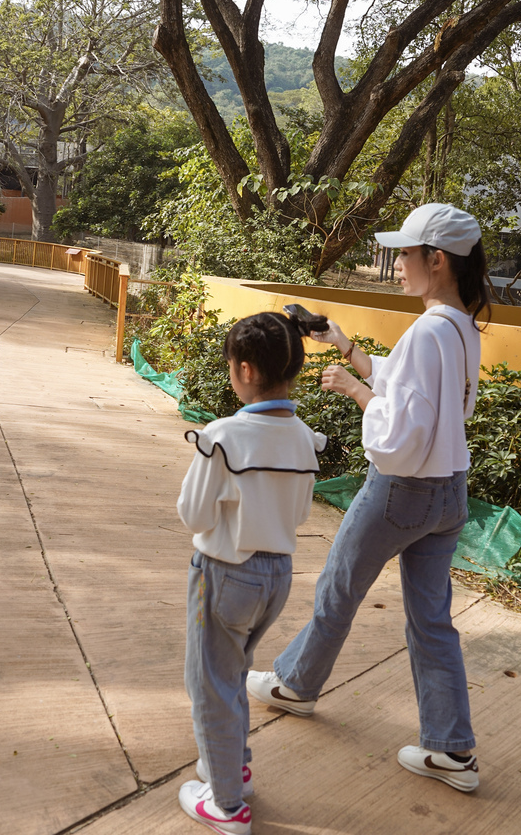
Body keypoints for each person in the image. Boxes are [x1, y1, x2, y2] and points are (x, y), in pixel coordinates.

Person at [246, 203, 490, 794]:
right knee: (432, 621)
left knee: (339, 585)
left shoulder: (428, 329)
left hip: (402, 491)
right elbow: (436, 403)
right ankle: (452, 747)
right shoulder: (460, 325)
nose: (396, 262)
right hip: (448, 493)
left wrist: (356, 390)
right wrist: (347, 347)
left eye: (405, 253)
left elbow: (399, 435)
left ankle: (296, 685)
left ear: (436, 260)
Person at [177, 311, 329, 835]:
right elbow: (303, 513)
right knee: (233, 673)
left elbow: (194, 514)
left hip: (224, 574)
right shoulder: (306, 438)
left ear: (243, 369)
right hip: (276, 576)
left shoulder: (223, 435)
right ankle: (232, 768)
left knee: (209, 682)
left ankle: (226, 805)